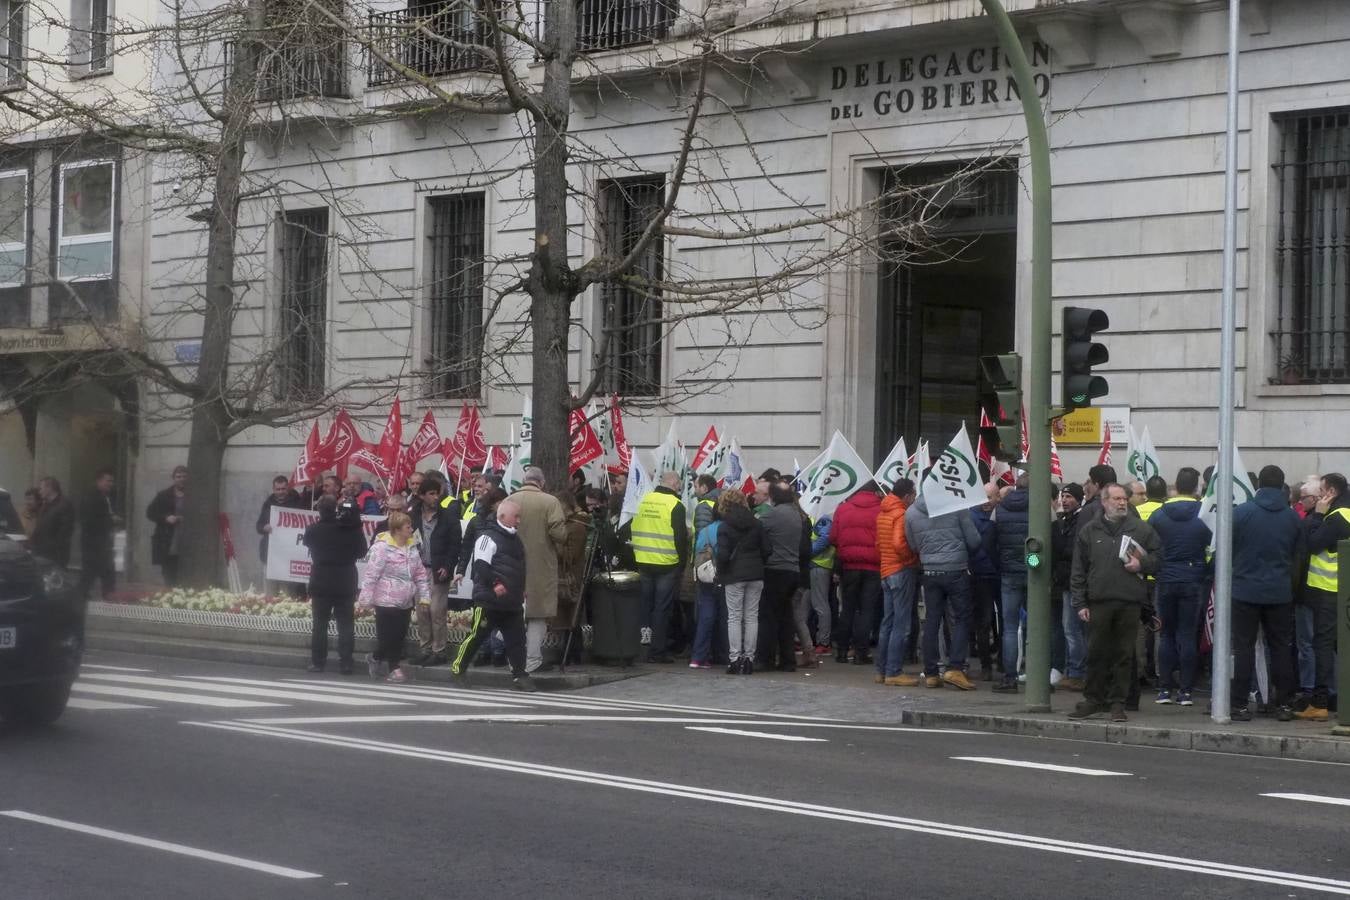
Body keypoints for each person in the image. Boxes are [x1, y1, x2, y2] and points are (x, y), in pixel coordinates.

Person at [1068, 483, 1161, 722]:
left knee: (1123, 655)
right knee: (1097, 653)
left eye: (1124, 499)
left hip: (1129, 602)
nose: (1122, 503)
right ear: (1104, 501)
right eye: (1117, 499)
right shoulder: (1090, 531)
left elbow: (1159, 558)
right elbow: (1079, 570)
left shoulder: (1140, 529)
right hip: (1098, 602)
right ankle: (1093, 700)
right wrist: (1080, 603)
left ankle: (1117, 703)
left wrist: (1142, 565)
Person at [1229, 465, 1302, 722]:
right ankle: (1283, 704)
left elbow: (1229, 548)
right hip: (1279, 592)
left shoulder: (1242, 513)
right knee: (1281, 648)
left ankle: (1238, 704)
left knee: (1244, 648)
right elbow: (1298, 556)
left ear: (1258, 484)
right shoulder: (1293, 517)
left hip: (1244, 589)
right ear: (1283, 485)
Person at [449, 498, 538, 692]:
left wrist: (521, 589)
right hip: (489, 600)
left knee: (517, 640)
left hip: (511, 601)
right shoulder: (487, 538)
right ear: (503, 516)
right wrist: (495, 584)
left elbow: (518, 567)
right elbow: (481, 565)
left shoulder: (516, 539)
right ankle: (458, 669)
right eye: (516, 516)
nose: (519, 521)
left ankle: (519, 675)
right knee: (477, 636)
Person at [905, 472, 983, 691]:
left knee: (931, 621)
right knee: (961, 618)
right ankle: (955, 668)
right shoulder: (955, 505)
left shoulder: (911, 512)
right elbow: (974, 540)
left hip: (929, 571)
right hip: (956, 569)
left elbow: (912, 545)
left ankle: (931, 673)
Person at [1146, 467, 1210, 706]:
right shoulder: (1204, 513)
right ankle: (1186, 691)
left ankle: (1164, 689)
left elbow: (1148, 542)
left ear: (1175, 485)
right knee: (1187, 635)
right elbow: (1211, 545)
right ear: (1195, 487)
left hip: (1166, 578)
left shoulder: (1160, 514)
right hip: (1193, 578)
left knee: (1166, 635)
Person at [1298, 472, 1349, 721]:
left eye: (1323, 489)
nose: (1319, 494)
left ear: (1332, 492)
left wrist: (1317, 513)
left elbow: (1312, 543)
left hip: (1328, 591)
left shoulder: (1336, 517)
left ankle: (1319, 703)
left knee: (1323, 646)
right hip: (1341, 590)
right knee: (1341, 646)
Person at [358, 511, 430, 684]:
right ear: (397, 530)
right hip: (385, 599)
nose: (411, 530)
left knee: (398, 636)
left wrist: (425, 597)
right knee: (388, 636)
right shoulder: (382, 548)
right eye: (408, 527)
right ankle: (394, 668)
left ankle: (375, 657)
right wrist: (365, 600)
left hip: (405, 600)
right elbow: (371, 575)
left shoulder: (412, 548)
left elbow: (420, 574)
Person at [625, 470, 688, 664]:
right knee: (661, 609)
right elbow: (680, 538)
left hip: (643, 560)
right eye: (679, 484)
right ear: (675, 483)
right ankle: (657, 650)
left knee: (645, 606)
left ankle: (642, 647)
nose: (680, 487)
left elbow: (630, 526)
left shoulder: (643, 499)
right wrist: (682, 563)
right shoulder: (676, 505)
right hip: (667, 564)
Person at [303, 496, 369, 674]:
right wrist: (355, 525)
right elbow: (363, 550)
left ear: (319, 510)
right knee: (346, 625)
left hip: (321, 580)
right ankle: (346, 662)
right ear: (335, 509)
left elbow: (307, 542)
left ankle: (318, 662)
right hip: (345, 580)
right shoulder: (351, 530)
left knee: (320, 624)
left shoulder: (313, 530)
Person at [511, 467, 568, 673]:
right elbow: (559, 534)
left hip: (512, 564)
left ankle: (513, 658)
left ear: (525, 480)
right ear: (541, 482)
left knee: (514, 613)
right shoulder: (550, 502)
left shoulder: (511, 500)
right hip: (541, 565)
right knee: (537, 614)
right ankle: (533, 659)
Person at [410, 477, 461, 666]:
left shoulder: (448, 516)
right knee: (422, 611)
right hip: (420, 569)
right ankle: (425, 648)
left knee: (436, 610)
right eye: (431, 494)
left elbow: (455, 545)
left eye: (437, 493)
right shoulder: (414, 515)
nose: (435, 497)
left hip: (438, 569)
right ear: (422, 495)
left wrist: (447, 566)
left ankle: (439, 651)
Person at [830, 483, 882, 665]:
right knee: (867, 610)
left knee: (847, 609)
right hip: (873, 566)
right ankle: (861, 653)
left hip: (849, 565)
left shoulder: (843, 508)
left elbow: (833, 538)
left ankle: (842, 651)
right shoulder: (880, 509)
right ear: (874, 492)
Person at [716, 490, 767, 674]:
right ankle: (749, 659)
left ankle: (735, 659)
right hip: (756, 574)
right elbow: (767, 549)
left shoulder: (724, 526)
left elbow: (722, 554)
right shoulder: (757, 523)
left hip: (734, 575)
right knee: (752, 617)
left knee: (734, 617)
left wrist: (721, 570)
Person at [875, 477, 919, 686]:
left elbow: (879, 543)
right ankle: (894, 671)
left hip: (886, 570)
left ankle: (881, 670)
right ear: (907, 495)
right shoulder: (901, 514)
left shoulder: (883, 512)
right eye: (914, 494)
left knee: (887, 622)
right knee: (901, 624)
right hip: (900, 570)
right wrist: (912, 559)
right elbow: (899, 543)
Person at [759, 483, 806, 671]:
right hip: (793, 570)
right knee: (786, 617)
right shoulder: (796, 514)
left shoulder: (772, 514)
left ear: (773, 496)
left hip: (774, 569)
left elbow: (758, 529)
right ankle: (788, 661)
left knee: (768, 617)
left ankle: (766, 659)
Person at [994, 475, 1033, 692]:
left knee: (1009, 626)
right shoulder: (1041, 506)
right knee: (1036, 625)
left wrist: (1001, 562)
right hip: (1034, 570)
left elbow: (991, 540)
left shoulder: (999, 509)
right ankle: (1037, 675)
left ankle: (1010, 677)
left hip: (1008, 573)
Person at [1051, 483, 1085, 690]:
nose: (1064, 500)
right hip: (1065, 581)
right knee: (1069, 628)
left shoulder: (1078, 521)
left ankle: (1076, 671)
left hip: (1072, 582)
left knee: (1072, 629)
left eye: (1069, 496)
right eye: (1063, 496)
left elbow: (1067, 551)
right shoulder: (1064, 521)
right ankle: (1073, 669)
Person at [553, 490, 591, 660]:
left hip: (571, 577)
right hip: (564, 576)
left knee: (571, 616)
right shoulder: (568, 523)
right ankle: (568, 652)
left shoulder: (576, 526)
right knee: (565, 616)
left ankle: (572, 653)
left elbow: (571, 555)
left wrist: (556, 544)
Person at [78, 469, 120, 600]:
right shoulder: (91, 497)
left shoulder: (107, 496)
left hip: (104, 543)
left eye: (112, 481)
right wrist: (111, 520)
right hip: (94, 544)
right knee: (92, 574)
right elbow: (89, 520)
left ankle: (106, 597)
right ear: (99, 481)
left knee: (104, 573)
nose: (111, 484)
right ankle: (81, 597)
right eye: (108, 481)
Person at [256, 475, 303, 584]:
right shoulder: (268, 504)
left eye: (283, 489)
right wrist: (264, 527)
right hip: (270, 555)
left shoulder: (297, 503)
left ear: (288, 488)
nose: (281, 492)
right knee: (270, 590)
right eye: (278, 489)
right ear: (273, 489)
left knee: (288, 591)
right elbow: (258, 525)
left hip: (290, 556)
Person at [147, 466, 188, 586]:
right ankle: (170, 595)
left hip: (186, 537)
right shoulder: (164, 495)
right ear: (173, 478)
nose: (181, 479)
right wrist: (165, 518)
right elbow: (150, 513)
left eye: (184, 476)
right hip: (168, 537)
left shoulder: (194, 495)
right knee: (169, 571)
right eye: (178, 476)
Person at [807, 511, 835, 657]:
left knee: (820, 604)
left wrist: (807, 552)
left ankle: (823, 642)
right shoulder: (819, 514)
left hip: (819, 564)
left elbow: (825, 538)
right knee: (809, 604)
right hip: (815, 564)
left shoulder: (824, 516)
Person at [30, 476, 75, 567]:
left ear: (49, 488)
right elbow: (40, 527)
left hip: (54, 556)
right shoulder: (45, 505)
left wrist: (54, 550)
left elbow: (65, 532)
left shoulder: (64, 505)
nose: (40, 491)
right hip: (41, 553)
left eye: (41, 488)